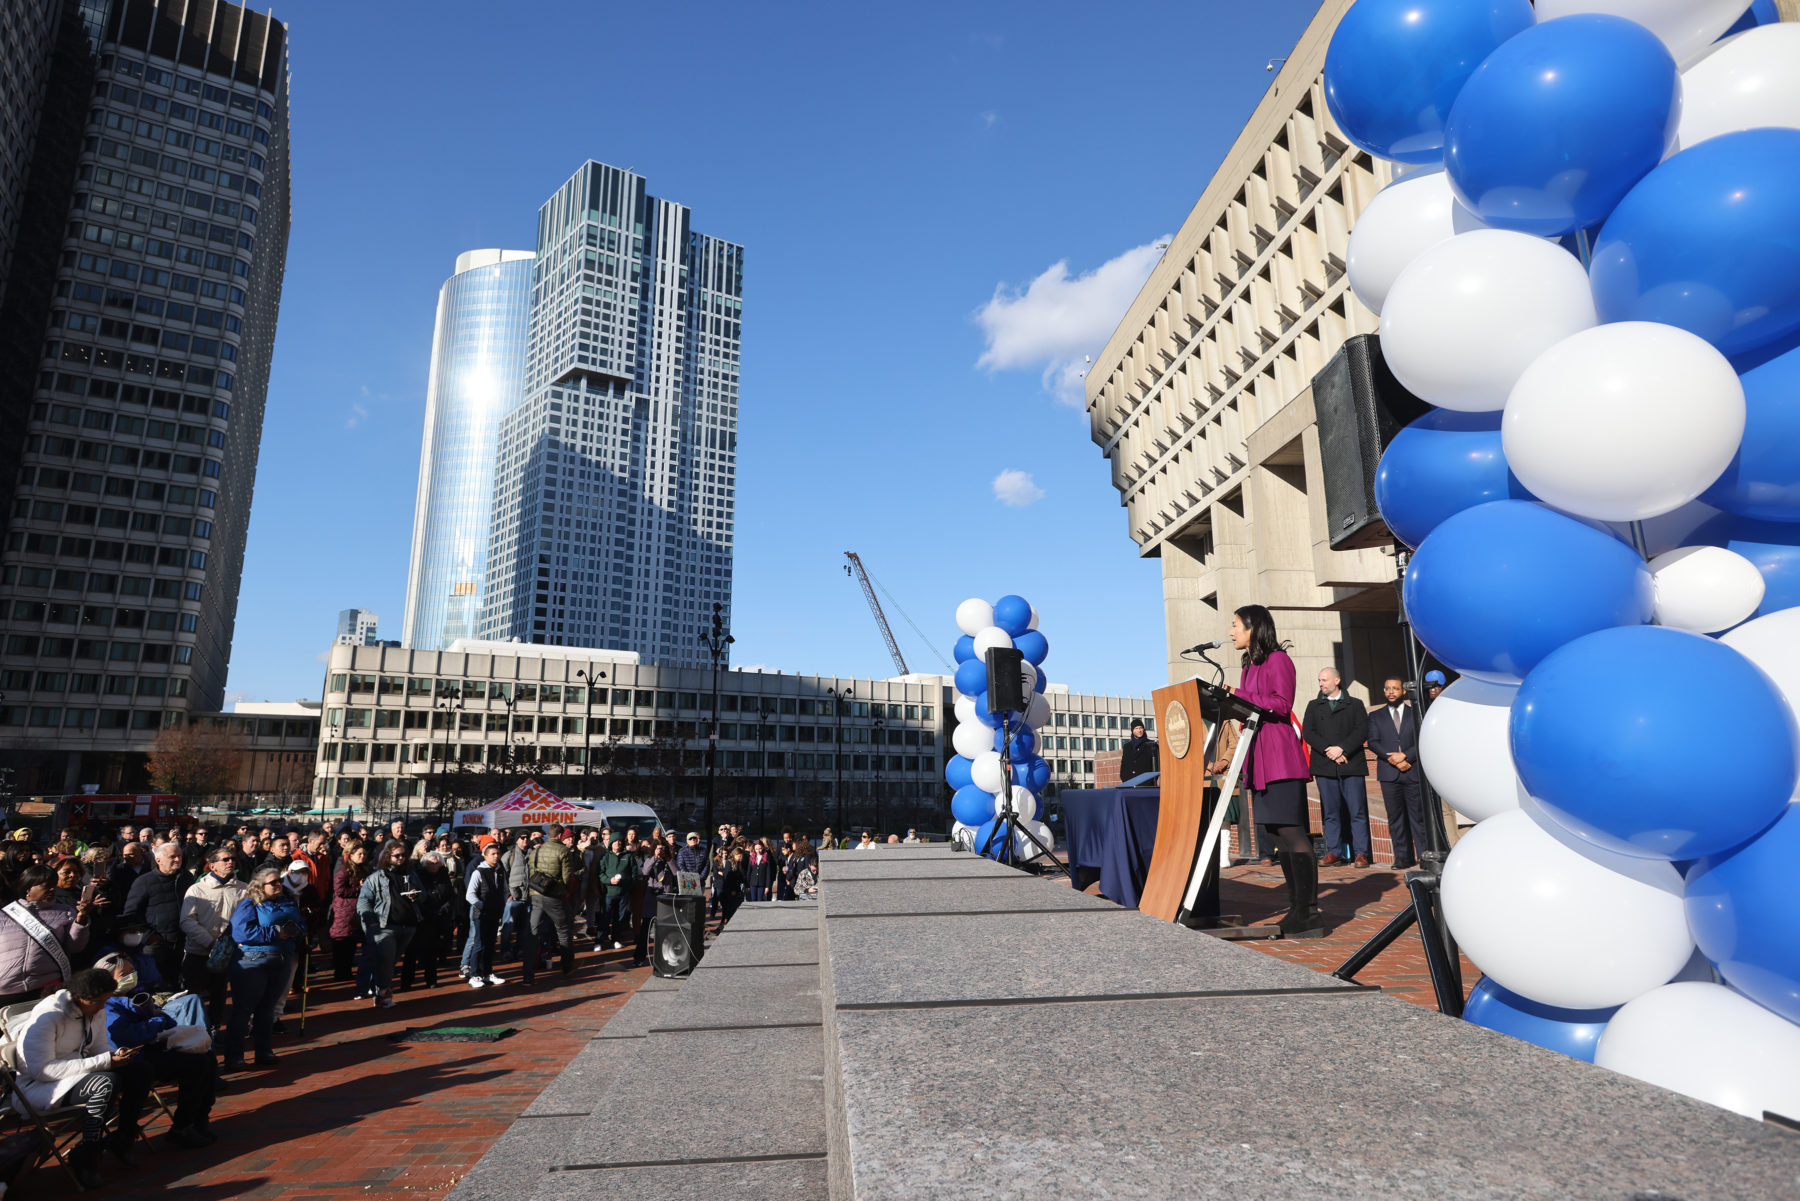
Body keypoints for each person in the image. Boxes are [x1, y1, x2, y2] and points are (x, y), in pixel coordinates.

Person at [1226, 604, 1323, 938]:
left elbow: (1281, 704)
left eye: (1236, 625)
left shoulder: (1278, 659)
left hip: (1279, 756)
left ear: (1254, 627)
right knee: (1277, 835)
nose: (1231, 631)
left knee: (1292, 831)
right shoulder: (1247, 664)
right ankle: (1296, 908)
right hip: (1259, 757)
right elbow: (1251, 704)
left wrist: (1237, 695)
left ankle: (1309, 913)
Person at [15, 967, 141, 1188]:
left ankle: (123, 1138)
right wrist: (103, 1061)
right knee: (105, 1083)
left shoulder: (94, 1010)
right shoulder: (48, 1017)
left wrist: (114, 1054)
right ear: (82, 998)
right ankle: (86, 1155)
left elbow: (99, 1046)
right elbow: (42, 1071)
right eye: (100, 1001)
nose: (104, 1006)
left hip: (77, 1073)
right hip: (42, 1087)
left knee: (139, 1071)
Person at [96, 952, 217, 1150]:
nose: (130, 976)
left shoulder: (131, 998)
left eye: (132, 971)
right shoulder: (107, 1005)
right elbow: (124, 1036)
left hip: (147, 1050)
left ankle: (199, 1118)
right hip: (131, 1059)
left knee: (206, 1057)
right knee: (195, 1063)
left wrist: (156, 1017)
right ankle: (183, 1126)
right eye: (123, 973)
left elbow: (166, 1021)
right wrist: (156, 1021)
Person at [223, 866, 304, 1069]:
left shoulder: (287, 902)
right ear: (260, 885)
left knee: (267, 1010)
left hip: (282, 958)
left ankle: (264, 1051)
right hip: (253, 960)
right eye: (273, 882)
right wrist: (276, 932)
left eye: (280, 881)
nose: (278, 885)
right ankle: (234, 1057)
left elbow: (301, 923)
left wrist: (298, 931)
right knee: (243, 1009)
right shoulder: (249, 904)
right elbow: (241, 932)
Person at [1301, 667, 1372, 868]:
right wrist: (1328, 750)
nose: (1321, 683)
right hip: (1325, 766)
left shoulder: (1355, 704)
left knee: (1356, 810)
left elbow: (1362, 730)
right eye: (1319, 680)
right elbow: (1309, 732)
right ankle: (1334, 852)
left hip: (1351, 764)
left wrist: (1342, 749)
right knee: (1330, 812)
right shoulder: (1314, 705)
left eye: (1324, 680)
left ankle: (1361, 853)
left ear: (1337, 680)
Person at [0, 865, 94, 1003]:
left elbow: (74, 947)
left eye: (53, 885)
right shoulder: (5, 914)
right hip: (7, 989)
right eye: (46, 886)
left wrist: (81, 920)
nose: (52, 889)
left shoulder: (64, 912)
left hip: (47, 986)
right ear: (28, 888)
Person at [177, 848, 247, 1025]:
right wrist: (209, 941)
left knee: (219, 996)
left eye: (232, 858)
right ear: (212, 865)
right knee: (192, 997)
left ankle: (215, 1028)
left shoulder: (243, 889)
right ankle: (191, 1032)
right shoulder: (197, 890)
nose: (230, 862)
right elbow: (187, 921)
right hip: (197, 953)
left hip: (227, 955)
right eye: (225, 859)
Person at [1368, 676, 1428, 871]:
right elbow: (1373, 742)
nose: (1391, 692)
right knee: (1395, 817)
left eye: (1395, 688)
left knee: (1417, 817)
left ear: (1403, 692)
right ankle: (1402, 857)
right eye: (1387, 689)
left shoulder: (1415, 713)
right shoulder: (1376, 716)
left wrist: (1405, 756)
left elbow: (1421, 739)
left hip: (1412, 771)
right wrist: (1391, 759)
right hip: (1389, 773)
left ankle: (1424, 855)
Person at [357, 841, 423, 1009]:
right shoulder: (376, 877)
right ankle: (382, 992)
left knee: (391, 961)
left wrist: (417, 896)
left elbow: (424, 895)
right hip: (384, 926)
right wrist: (370, 923)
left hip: (408, 924)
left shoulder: (411, 874)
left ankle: (380, 987)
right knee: (385, 960)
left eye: (403, 855)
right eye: (397, 855)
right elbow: (364, 901)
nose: (401, 858)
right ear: (388, 857)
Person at [123, 841, 192, 985]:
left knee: (177, 984)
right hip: (155, 946)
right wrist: (149, 936)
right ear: (158, 859)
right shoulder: (144, 882)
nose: (178, 860)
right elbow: (131, 914)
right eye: (172, 857)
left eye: (179, 856)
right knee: (155, 986)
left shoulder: (186, 878)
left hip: (182, 942)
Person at [523, 824, 577, 983]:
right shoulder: (563, 851)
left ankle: (527, 975)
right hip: (555, 897)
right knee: (563, 930)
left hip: (536, 895)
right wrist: (565, 890)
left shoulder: (536, 850)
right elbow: (568, 878)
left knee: (532, 934)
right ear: (560, 835)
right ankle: (567, 967)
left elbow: (532, 874)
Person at [400, 852, 455, 991]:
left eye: (436, 862)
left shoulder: (443, 875)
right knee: (412, 952)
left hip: (438, 917)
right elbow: (418, 896)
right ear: (424, 864)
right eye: (430, 863)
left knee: (432, 951)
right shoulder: (418, 875)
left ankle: (431, 980)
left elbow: (450, 894)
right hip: (421, 917)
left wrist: (444, 908)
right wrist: (427, 909)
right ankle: (406, 982)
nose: (434, 865)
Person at [462, 841, 508, 988]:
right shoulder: (479, 872)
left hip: (495, 912)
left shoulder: (500, 871)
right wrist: (482, 905)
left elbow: (504, 890)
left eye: (498, 854)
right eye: (492, 854)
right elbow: (470, 895)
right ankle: (474, 974)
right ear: (485, 856)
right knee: (479, 943)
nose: (496, 857)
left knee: (490, 944)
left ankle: (487, 972)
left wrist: (501, 904)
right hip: (481, 914)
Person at [330, 841, 371, 984]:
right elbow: (340, 890)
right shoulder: (343, 870)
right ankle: (341, 972)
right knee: (343, 942)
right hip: (345, 911)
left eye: (364, 854)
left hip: (357, 910)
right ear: (351, 855)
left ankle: (346, 971)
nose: (362, 856)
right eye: (359, 854)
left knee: (352, 942)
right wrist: (360, 889)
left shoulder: (364, 869)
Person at [634, 841, 676, 966]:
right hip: (651, 896)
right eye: (658, 848)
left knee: (665, 929)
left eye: (662, 848)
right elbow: (645, 871)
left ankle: (665, 957)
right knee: (645, 928)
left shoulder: (669, 860)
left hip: (665, 896)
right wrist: (654, 858)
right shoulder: (650, 859)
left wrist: (668, 858)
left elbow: (676, 872)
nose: (660, 850)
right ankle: (639, 957)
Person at [596, 836, 635, 951]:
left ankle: (616, 940)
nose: (618, 843)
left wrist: (628, 885)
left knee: (620, 918)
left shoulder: (628, 856)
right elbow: (600, 873)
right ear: (611, 843)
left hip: (623, 893)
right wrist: (609, 881)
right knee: (605, 917)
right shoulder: (605, 856)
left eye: (620, 841)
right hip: (609, 892)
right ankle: (599, 941)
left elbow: (633, 873)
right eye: (615, 841)